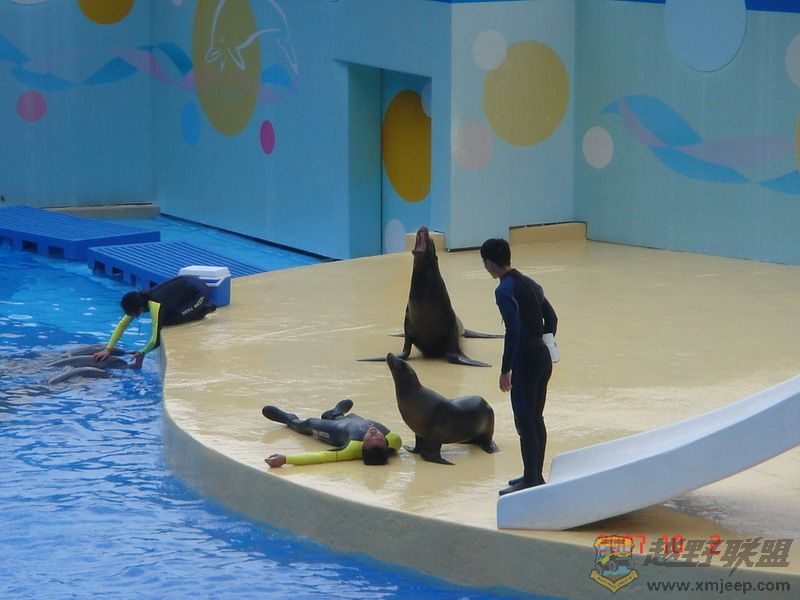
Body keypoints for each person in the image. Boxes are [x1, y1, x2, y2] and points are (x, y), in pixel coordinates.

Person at [480, 238, 558, 496]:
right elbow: (552, 318)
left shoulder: (504, 290)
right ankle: (533, 474)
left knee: (524, 420)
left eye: (485, 263)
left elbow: (513, 330)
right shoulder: (531, 284)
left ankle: (532, 478)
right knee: (536, 417)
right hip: (542, 357)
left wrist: (506, 369)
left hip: (525, 360)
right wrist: (547, 344)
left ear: (490, 263)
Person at [93, 275, 215, 369]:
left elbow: (156, 340)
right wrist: (108, 349)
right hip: (187, 288)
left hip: (200, 294)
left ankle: (206, 309)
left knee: (170, 320)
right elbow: (122, 325)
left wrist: (142, 352)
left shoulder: (156, 305)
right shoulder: (140, 300)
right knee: (166, 316)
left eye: (132, 314)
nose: (132, 317)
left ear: (140, 309)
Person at [263, 399, 402, 467]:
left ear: (363, 446)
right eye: (380, 438)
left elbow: (321, 457)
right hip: (350, 420)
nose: (374, 432)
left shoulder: (351, 448)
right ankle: (335, 413)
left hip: (334, 430)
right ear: (386, 444)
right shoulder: (395, 440)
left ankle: (288, 419)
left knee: (308, 424)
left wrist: (286, 459)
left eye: (370, 438)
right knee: (351, 418)